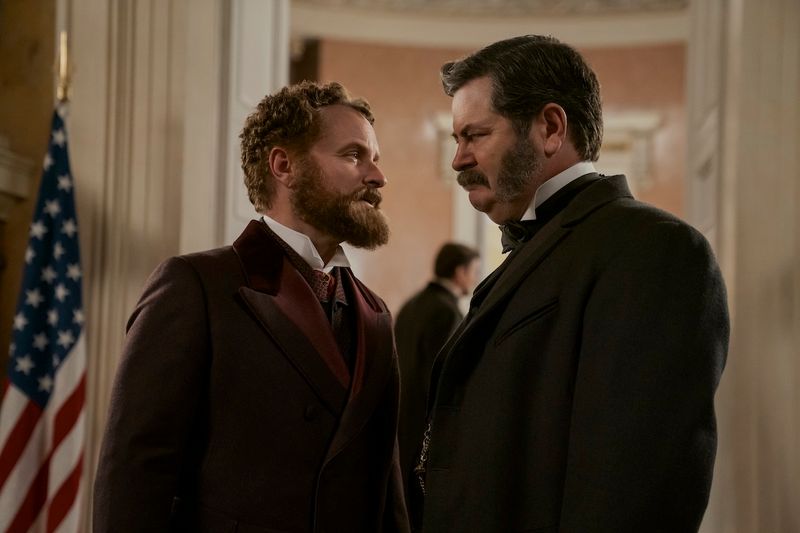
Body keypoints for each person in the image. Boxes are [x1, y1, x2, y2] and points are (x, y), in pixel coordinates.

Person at [415, 35, 729, 532]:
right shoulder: (546, 247)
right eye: (457, 139)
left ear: (550, 128)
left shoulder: (655, 248)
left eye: (475, 135)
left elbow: (636, 490)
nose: (459, 159)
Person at [93, 81, 410, 532]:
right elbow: (135, 472)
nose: (377, 177)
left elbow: (386, 489)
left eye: (375, 158)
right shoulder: (195, 286)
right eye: (353, 155)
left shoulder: (375, 314)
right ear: (284, 165)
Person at [394, 242, 480, 514]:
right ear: (460, 271)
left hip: (402, 420)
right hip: (426, 426)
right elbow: (446, 379)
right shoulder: (447, 312)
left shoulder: (412, 305)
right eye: (474, 271)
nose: (475, 279)